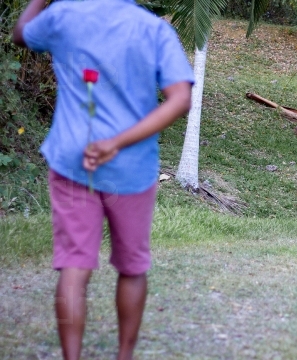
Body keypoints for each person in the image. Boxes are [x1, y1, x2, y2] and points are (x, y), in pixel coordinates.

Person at [12, 1, 194, 359]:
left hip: (72, 164)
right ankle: (124, 355)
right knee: (132, 265)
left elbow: (21, 34)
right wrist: (117, 143)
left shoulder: (62, 17)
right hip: (132, 169)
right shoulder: (154, 30)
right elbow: (180, 99)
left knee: (74, 266)